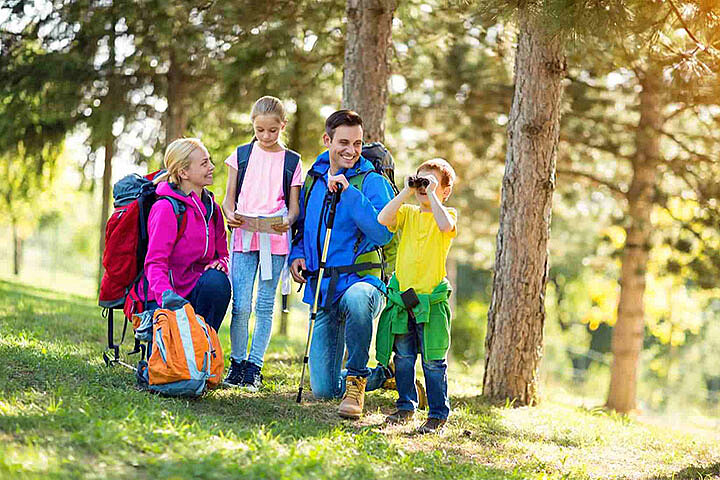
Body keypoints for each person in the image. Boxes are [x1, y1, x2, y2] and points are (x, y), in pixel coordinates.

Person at [289, 110, 394, 419]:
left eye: (358, 143)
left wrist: (350, 194)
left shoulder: (372, 181)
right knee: (323, 391)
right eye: (344, 142)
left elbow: (382, 232)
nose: (351, 150)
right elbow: (305, 225)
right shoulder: (315, 178)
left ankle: (357, 380)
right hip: (324, 289)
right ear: (327, 140)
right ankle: (383, 376)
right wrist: (297, 254)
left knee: (358, 298)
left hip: (363, 284)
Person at [221, 96, 303, 391]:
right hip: (244, 235)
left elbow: (294, 208)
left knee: (265, 305)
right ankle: (237, 363)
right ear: (253, 126)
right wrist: (231, 215)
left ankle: (254, 366)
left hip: (275, 239)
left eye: (273, 131)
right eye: (260, 131)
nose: (266, 137)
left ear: (283, 125)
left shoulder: (292, 161)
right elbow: (228, 200)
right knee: (241, 304)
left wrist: (288, 221)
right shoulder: (241, 155)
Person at [375, 158, 457, 434]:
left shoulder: (447, 215)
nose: (423, 187)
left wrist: (432, 195)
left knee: (433, 361)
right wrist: (405, 192)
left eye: (431, 182)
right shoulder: (408, 213)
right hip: (404, 300)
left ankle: (437, 413)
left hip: (431, 304)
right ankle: (405, 406)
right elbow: (383, 219)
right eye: (420, 180)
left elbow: (445, 226)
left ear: (445, 191)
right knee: (404, 357)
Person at [144, 138, 231, 332]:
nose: (212, 167)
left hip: (198, 291)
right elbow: (154, 263)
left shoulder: (213, 210)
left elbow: (223, 254)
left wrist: (221, 264)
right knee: (174, 359)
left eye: (209, 161)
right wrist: (167, 297)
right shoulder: (166, 208)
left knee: (218, 282)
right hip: (166, 297)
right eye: (204, 163)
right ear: (183, 172)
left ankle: (204, 345)